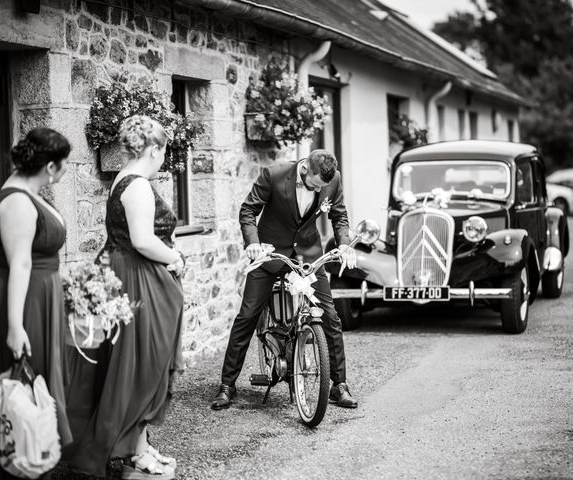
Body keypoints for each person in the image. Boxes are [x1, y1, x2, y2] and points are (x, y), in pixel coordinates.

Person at [66, 115, 184, 479]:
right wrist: (176, 257)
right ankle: (131, 448)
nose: (165, 159)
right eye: (164, 151)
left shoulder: (124, 179)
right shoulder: (138, 186)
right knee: (141, 367)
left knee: (134, 365)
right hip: (135, 279)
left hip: (125, 272)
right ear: (153, 148)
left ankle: (138, 447)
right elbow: (143, 241)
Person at [211, 149, 359, 410]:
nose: (316, 191)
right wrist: (253, 244)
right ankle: (227, 385)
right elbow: (248, 210)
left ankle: (339, 386)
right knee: (247, 316)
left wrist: (344, 244)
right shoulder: (274, 175)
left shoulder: (332, 179)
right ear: (305, 170)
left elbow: (339, 215)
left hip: (308, 256)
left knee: (331, 317)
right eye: (313, 185)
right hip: (269, 253)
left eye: (321, 188)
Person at [0, 127, 73, 478]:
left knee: (39, 379)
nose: (65, 170)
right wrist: (15, 325)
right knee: (27, 378)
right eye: (64, 164)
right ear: (51, 167)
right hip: (25, 301)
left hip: (43, 295)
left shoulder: (31, 191)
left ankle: (38, 453)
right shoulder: (15, 199)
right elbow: (21, 263)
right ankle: (22, 457)